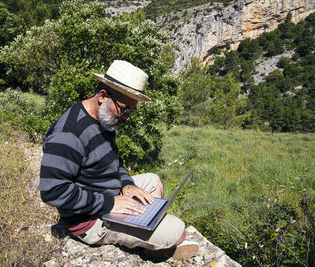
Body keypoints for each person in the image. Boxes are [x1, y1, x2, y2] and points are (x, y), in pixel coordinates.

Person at [39, 60, 199, 260]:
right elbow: (52, 191)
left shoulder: (103, 118)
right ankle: (150, 245)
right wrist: (109, 204)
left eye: (132, 111)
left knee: (153, 180)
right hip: (90, 219)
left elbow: (114, 161)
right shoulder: (69, 134)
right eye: (125, 109)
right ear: (103, 96)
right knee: (178, 231)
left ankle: (145, 228)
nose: (127, 118)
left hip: (107, 194)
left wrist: (126, 184)